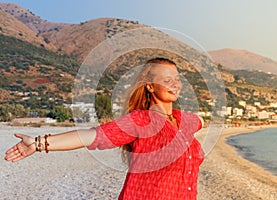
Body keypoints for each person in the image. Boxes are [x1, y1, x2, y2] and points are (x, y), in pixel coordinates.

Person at [5, 57, 205, 200]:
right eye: (167, 80)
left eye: (177, 78)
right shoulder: (141, 121)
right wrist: (39, 143)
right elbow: (92, 136)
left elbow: (201, 121)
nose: (175, 84)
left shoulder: (184, 120)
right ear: (150, 86)